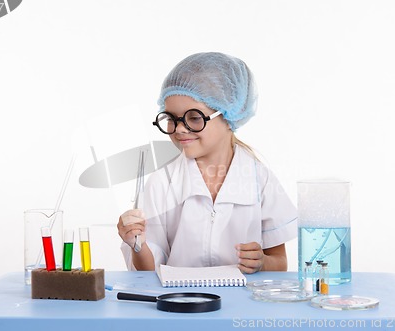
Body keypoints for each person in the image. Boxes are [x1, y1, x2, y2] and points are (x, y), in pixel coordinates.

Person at [117, 52, 297, 273]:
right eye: (171, 119)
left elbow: (279, 262)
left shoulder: (260, 179)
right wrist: (138, 246)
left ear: (230, 116)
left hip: (243, 304)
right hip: (180, 302)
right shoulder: (161, 182)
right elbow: (148, 271)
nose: (180, 128)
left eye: (194, 118)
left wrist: (262, 262)